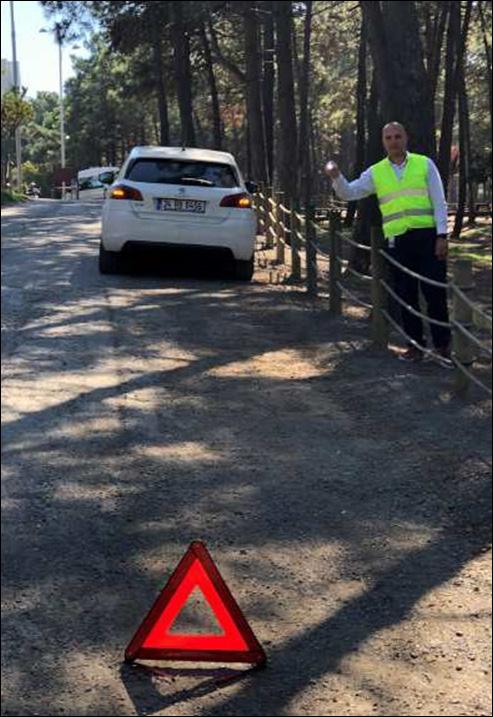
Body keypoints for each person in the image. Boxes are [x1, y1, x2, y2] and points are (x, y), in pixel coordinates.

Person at [325, 122, 451, 364]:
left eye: (397, 136)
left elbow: (439, 201)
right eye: (389, 138)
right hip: (398, 241)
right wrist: (336, 176)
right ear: (383, 142)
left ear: (406, 138)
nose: (394, 141)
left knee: (435, 292)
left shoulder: (424, 164)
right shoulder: (376, 171)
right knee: (406, 295)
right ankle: (415, 347)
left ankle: (443, 347)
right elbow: (349, 193)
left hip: (427, 238)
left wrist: (442, 236)